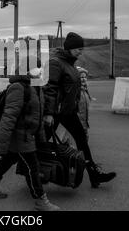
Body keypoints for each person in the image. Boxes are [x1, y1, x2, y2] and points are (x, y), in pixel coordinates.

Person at [0, 57, 60, 211]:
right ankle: (40, 201)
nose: (40, 71)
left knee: (9, 159)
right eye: (37, 68)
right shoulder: (18, 87)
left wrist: (41, 137)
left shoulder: (36, 87)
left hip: (27, 135)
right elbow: (9, 116)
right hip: (20, 136)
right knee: (33, 168)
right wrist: (1, 143)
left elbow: (36, 116)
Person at [43, 32, 116, 188]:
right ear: (69, 48)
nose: (80, 51)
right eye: (78, 48)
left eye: (81, 48)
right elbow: (50, 88)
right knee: (41, 141)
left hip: (68, 112)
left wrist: (75, 105)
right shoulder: (56, 63)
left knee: (81, 139)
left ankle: (94, 175)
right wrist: (49, 113)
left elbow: (71, 88)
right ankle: (30, 167)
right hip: (56, 112)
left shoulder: (70, 64)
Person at [76, 66, 91, 141]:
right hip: (78, 123)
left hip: (85, 122)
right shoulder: (76, 91)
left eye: (85, 77)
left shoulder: (84, 90)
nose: (84, 79)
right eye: (81, 77)